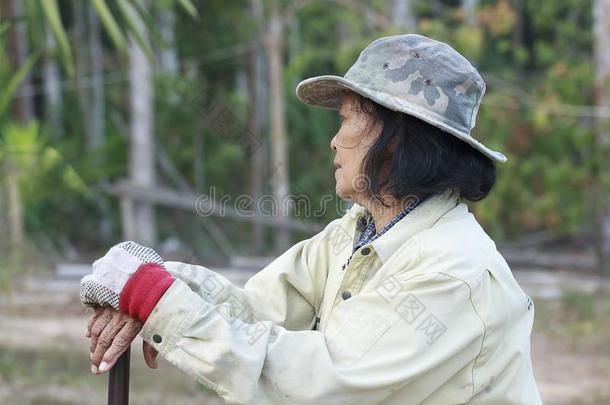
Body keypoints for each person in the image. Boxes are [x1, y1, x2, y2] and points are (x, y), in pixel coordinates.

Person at [81, 34, 543, 404]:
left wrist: (154, 298)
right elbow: (257, 310)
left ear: (397, 138)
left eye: (346, 120)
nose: (334, 142)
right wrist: (152, 282)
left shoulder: (451, 273)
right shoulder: (359, 232)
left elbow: (314, 385)